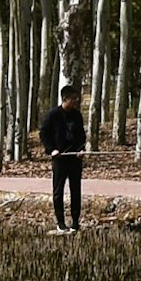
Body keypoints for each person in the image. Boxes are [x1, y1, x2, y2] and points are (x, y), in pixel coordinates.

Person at [39, 81, 90, 233]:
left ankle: (75, 222)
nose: (75, 101)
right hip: (60, 159)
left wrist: (81, 149)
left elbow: (81, 135)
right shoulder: (53, 115)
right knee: (58, 191)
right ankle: (60, 222)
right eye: (73, 99)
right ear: (65, 99)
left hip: (75, 159)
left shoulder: (77, 115)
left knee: (76, 191)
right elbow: (43, 134)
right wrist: (52, 149)